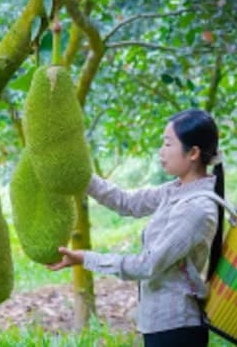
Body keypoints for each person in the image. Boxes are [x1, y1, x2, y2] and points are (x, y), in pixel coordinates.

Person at [47, 109, 225, 347]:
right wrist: (82, 175)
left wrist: (85, 258)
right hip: (159, 324)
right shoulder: (175, 190)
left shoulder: (197, 209)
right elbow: (126, 202)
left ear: (193, 153)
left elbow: (147, 265)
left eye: (167, 144)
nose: (161, 152)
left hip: (177, 328)